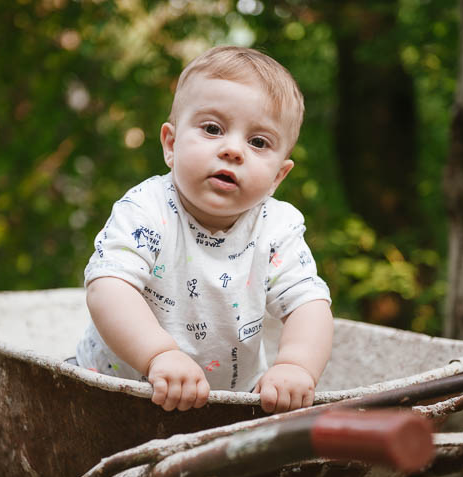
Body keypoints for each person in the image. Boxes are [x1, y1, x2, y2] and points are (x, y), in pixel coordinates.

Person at [76, 46, 333, 414]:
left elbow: (308, 304)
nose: (233, 150)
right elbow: (108, 287)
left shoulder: (278, 227)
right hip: (117, 393)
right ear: (171, 143)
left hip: (228, 402)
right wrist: (159, 355)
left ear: (278, 176)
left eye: (258, 142)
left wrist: (295, 365)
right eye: (212, 129)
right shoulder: (146, 209)